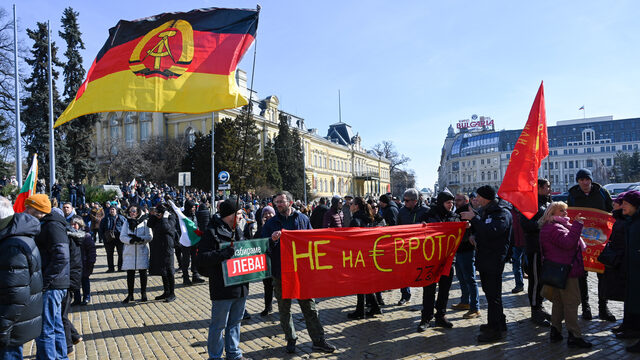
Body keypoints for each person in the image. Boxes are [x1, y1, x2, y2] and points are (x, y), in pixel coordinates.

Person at [262, 191, 336, 354]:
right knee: (284, 309)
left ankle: (318, 340)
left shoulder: (302, 219)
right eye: (276, 202)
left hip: (301, 273)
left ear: (290, 202)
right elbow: (262, 245)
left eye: (281, 201)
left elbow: (311, 243)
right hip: (280, 273)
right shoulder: (271, 224)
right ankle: (291, 338)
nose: (278, 205)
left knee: (309, 307)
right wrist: (271, 240)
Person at [197, 198, 251, 360]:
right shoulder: (212, 231)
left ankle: (234, 354)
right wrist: (223, 254)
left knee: (235, 323)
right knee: (218, 325)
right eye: (240, 213)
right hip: (222, 286)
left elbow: (247, 248)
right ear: (230, 215)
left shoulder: (237, 230)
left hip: (240, 285)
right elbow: (202, 258)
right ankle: (215, 356)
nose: (242, 217)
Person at [460, 185, 512, 343]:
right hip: (486, 258)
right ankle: (498, 322)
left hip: (494, 259)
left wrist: (474, 219)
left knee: (493, 296)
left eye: (478, 196)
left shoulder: (500, 212)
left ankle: (494, 330)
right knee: (491, 295)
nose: (476, 199)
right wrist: (474, 234)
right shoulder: (486, 211)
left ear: (486, 198)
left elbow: (493, 231)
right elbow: (483, 230)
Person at [539, 202, 592, 348]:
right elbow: (568, 243)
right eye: (561, 211)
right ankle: (574, 336)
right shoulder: (555, 228)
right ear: (551, 213)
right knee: (571, 303)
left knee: (559, 302)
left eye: (565, 210)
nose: (565, 213)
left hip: (558, 270)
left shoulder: (551, 226)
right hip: (566, 271)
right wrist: (577, 226)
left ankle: (555, 331)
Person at [26, 194, 70, 360]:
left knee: (45, 329)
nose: (26, 211)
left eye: (28, 208)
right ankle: (60, 357)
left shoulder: (52, 226)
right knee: (55, 325)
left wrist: (44, 281)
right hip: (55, 284)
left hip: (52, 285)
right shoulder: (49, 224)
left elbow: (61, 256)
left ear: (37, 209)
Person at [567, 169, 615, 321]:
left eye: (586, 179)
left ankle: (603, 307)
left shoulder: (602, 192)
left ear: (591, 180)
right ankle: (585, 307)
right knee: (582, 275)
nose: (584, 182)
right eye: (581, 180)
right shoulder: (573, 194)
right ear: (578, 181)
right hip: (582, 241)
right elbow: (570, 215)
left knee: (603, 274)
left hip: (601, 240)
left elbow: (611, 211)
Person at [0, 196, 43, 359]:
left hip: (10, 328)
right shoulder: (12, 237)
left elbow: (15, 296)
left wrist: (3, 328)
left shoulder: (13, 245)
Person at [417, 191, 457, 332]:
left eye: (452, 203)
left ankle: (441, 315)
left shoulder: (454, 217)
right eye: (448, 203)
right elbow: (417, 232)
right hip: (431, 260)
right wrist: (421, 226)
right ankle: (426, 318)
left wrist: (467, 229)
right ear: (441, 203)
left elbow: (462, 238)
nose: (451, 205)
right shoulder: (428, 215)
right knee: (429, 290)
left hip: (447, 261)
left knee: (445, 290)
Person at [520, 179, 552, 326]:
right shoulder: (530, 203)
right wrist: (541, 222)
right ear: (538, 188)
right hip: (534, 248)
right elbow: (526, 225)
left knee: (543, 280)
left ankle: (540, 306)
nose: (549, 190)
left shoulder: (546, 202)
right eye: (547, 187)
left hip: (546, 247)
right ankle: (535, 310)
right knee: (535, 280)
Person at [346, 197, 382, 320]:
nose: (349, 205)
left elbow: (352, 240)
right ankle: (374, 307)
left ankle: (360, 310)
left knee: (360, 284)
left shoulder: (355, 220)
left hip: (358, 256)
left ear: (356, 206)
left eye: (351, 204)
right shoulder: (367, 218)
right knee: (364, 283)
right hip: (368, 255)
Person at [396, 188, 430, 306]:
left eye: (406, 201)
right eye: (404, 200)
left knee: (424, 271)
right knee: (404, 271)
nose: (404, 203)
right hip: (405, 247)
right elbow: (397, 228)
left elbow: (432, 227)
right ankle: (405, 295)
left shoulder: (426, 211)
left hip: (421, 248)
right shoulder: (402, 211)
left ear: (414, 200)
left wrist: (425, 226)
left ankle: (428, 298)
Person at [452, 193, 480, 319]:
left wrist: (471, 232)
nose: (456, 202)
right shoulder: (456, 212)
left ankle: (475, 308)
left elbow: (478, 228)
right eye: (455, 200)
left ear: (466, 200)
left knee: (470, 279)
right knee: (461, 277)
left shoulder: (471, 212)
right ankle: (465, 302)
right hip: (458, 249)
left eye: (459, 200)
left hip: (468, 250)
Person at [120, 204, 153, 304]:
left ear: (138, 211)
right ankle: (130, 295)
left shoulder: (145, 221)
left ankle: (143, 293)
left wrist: (141, 239)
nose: (132, 213)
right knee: (130, 274)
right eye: (130, 211)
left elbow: (150, 236)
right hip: (130, 251)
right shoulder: (126, 222)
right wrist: (131, 240)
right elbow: (122, 236)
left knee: (143, 273)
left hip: (141, 250)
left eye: (134, 211)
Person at [620, 191, 640, 353]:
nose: (622, 206)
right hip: (633, 270)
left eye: (626, 203)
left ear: (635, 205)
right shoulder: (632, 220)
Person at [147, 204, 177, 302]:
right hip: (158, 246)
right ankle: (166, 291)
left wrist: (164, 217)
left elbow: (166, 228)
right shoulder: (157, 218)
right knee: (163, 270)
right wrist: (154, 215)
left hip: (167, 246)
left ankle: (172, 293)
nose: (158, 214)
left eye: (160, 212)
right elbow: (149, 224)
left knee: (169, 270)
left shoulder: (171, 217)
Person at [63, 214, 83, 355]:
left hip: (69, 279)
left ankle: (68, 345)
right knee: (61, 314)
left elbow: (76, 263)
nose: (73, 226)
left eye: (77, 224)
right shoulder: (71, 238)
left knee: (61, 315)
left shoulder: (74, 239)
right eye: (72, 223)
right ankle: (75, 336)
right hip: (70, 279)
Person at [180, 200, 205, 286]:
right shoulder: (182, 216)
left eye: (194, 206)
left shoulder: (194, 215)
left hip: (194, 240)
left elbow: (195, 226)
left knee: (195, 258)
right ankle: (185, 278)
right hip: (186, 241)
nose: (194, 208)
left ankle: (195, 275)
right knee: (186, 260)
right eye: (192, 206)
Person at [99, 206, 126, 273]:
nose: (112, 211)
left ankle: (121, 267)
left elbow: (126, 227)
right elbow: (101, 229)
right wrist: (103, 238)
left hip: (119, 238)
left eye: (113, 209)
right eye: (110, 210)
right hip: (108, 239)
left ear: (116, 210)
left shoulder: (121, 218)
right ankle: (111, 268)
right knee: (109, 254)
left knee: (121, 254)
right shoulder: (105, 219)